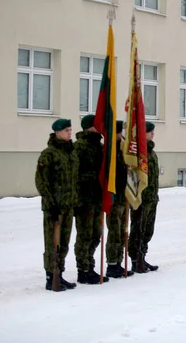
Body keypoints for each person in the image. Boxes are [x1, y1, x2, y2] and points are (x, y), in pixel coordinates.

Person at [35, 118, 79, 292]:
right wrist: (50, 203)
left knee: (64, 242)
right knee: (52, 243)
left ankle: (59, 274)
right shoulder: (49, 154)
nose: (69, 133)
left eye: (70, 130)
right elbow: (41, 181)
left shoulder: (71, 153)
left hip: (68, 205)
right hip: (55, 206)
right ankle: (50, 276)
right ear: (57, 132)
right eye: (66, 130)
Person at [73, 115, 108, 284]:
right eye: (96, 125)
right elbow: (74, 174)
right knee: (84, 234)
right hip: (84, 198)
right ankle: (83, 269)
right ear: (89, 127)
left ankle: (90, 265)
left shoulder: (100, 147)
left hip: (97, 197)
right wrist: (95, 177)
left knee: (96, 234)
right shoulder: (78, 147)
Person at [128, 121, 160, 273]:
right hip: (141, 198)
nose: (153, 134)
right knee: (137, 229)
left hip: (151, 197)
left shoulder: (151, 151)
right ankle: (135, 259)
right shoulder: (138, 152)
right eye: (149, 132)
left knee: (148, 229)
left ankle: (142, 256)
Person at [106, 120, 134, 278]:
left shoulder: (123, 148)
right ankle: (112, 263)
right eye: (121, 131)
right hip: (114, 196)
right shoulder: (111, 150)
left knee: (123, 230)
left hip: (123, 195)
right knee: (114, 230)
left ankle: (118, 261)